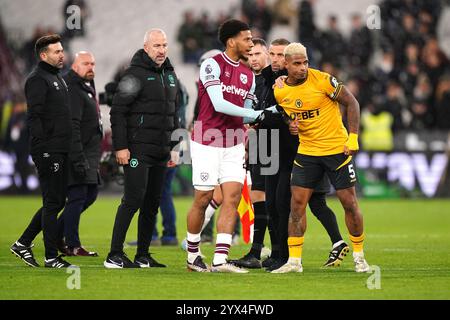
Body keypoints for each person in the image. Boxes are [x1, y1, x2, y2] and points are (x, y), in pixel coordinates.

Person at [272, 42, 370, 273]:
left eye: (305, 62)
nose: (303, 67)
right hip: (307, 152)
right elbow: (286, 112)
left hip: (337, 150)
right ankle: (294, 262)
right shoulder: (280, 90)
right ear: (286, 65)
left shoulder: (324, 80)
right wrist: (290, 123)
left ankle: (359, 256)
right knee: (296, 205)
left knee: (349, 203)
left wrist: (353, 137)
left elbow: (352, 102)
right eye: (297, 64)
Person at [186, 19, 265, 273]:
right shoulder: (212, 65)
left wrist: (264, 114)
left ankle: (220, 260)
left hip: (232, 142)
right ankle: (193, 255)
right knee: (203, 198)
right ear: (231, 41)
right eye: (247, 38)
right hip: (207, 139)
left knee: (231, 198)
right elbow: (219, 104)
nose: (251, 43)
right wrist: (257, 114)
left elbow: (248, 113)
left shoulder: (249, 76)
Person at [104, 29, 180, 269]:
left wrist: (174, 146)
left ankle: (143, 255)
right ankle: (114, 254)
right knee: (133, 199)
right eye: (157, 45)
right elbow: (117, 111)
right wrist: (121, 147)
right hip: (137, 150)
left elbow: (173, 113)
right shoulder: (133, 75)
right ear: (146, 47)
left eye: (164, 45)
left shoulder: (169, 73)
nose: (162, 50)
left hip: (160, 150)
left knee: (152, 203)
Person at [10, 34, 73, 268]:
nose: (61, 54)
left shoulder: (56, 77)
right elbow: (34, 116)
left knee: (55, 201)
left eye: (62, 50)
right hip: (49, 149)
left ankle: (23, 243)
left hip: (60, 148)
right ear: (43, 55)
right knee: (52, 202)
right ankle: (51, 257)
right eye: (56, 51)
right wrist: (45, 149)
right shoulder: (38, 79)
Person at [55, 51, 102, 257]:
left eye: (92, 63)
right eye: (85, 63)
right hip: (78, 151)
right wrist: (78, 156)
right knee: (78, 196)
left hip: (89, 152)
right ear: (74, 66)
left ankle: (55, 233)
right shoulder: (73, 88)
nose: (90, 67)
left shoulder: (85, 85)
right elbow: (73, 125)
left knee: (89, 195)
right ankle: (72, 243)